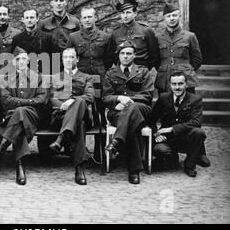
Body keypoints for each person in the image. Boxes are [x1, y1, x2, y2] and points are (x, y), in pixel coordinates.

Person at [0, 47, 49, 185]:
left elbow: (42, 100)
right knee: (20, 120)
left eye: (24, 59)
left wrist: (21, 104)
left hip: (33, 117)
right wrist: (28, 103)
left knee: (20, 112)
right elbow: (5, 101)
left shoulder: (38, 77)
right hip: (12, 116)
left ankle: (2, 147)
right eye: (18, 59)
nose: (21, 62)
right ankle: (20, 166)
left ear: (28, 61)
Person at [103, 41, 154, 184]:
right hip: (117, 112)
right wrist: (118, 98)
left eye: (129, 53)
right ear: (118, 56)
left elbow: (147, 95)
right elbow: (106, 97)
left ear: (134, 55)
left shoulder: (143, 71)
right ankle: (134, 171)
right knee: (132, 125)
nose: (125, 56)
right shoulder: (110, 73)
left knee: (132, 109)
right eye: (122, 53)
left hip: (141, 109)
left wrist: (127, 100)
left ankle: (117, 141)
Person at [150, 71, 210, 177]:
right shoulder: (164, 98)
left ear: (186, 84)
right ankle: (172, 157)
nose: (177, 87)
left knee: (198, 132)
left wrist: (171, 129)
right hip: (167, 139)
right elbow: (151, 119)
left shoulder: (195, 99)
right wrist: (156, 134)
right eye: (174, 84)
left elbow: (197, 122)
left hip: (186, 138)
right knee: (159, 150)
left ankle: (190, 165)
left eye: (180, 84)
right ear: (170, 85)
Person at [49, 48, 94, 185]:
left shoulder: (86, 77)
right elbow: (50, 98)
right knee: (79, 125)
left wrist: (72, 100)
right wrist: (64, 104)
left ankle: (61, 139)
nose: (69, 60)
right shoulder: (55, 77)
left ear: (77, 59)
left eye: (72, 57)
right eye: (66, 57)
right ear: (62, 60)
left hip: (82, 112)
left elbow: (90, 96)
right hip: (60, 116)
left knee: (80, 101)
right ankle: (79, 168)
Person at [155, 3, 202, 94]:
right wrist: (164, 69)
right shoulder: (158, 37)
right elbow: (155, 59)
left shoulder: (189, 36)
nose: (172, 18)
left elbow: (197, 59)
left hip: (186, 80)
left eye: (174, 15)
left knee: (187, 105)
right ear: (165, 18)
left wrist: (186, 69)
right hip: (164, 80)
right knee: (165, 106)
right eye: (168, 16)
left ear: (179, 16)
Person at [111, 0, 159, 70]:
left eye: (128, 12)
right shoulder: (116, 32)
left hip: (141, 71)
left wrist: (145, 68)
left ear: (135, 13)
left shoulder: (146, 30)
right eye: (122, 13)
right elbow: (112, 56)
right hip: (122, 72)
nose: (125, 16)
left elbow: (155, 55)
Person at [11, 8, 56, 75]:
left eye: (32, 17)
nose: (29, 20)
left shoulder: (47, 37)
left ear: (37, 19)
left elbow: (54, 58)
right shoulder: (17, 39)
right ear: (23, 20)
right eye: (27, 18)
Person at [0, 4, 21, 72]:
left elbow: (19, 53)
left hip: (13, 72)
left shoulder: (17, 33)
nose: (2, 17)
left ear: (8, 16)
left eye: (4, 14)